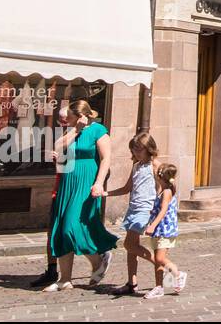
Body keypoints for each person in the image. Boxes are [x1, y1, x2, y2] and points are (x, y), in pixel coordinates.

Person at [43, 99, 117, 292]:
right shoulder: (73, 131)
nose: (66, 120)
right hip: (68, 181)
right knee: (60, 229)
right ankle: (64, 279)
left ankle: (98, 258)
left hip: (86, 183)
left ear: (81, 115)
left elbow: (106, 158)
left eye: (70, 117)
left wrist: (99, 182)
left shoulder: (98, 130)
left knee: (71, 226)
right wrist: (75, 131)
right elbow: (58, 147)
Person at [103, 132, 160, 295]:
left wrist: (156, 209)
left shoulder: (154, 165)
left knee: (129, 244)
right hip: (133, 208)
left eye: (139, 150)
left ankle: (162, 263)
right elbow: (128, 187)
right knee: (131, 248)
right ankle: (131, 283)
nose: (136, 153)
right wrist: (107, 194)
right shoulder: (136, 165)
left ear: (149, 149)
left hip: (145, 209)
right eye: (134, 150)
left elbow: (162, 188)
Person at [142, 162, 186, 299]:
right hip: (159, 230)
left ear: (160, 177)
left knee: (159, 258)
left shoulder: (167, 191)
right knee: (157, 261)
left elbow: (163, 210)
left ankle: (178, 274)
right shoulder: (164, 188)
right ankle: (158, 287)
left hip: (164, 229)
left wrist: (152, 225)